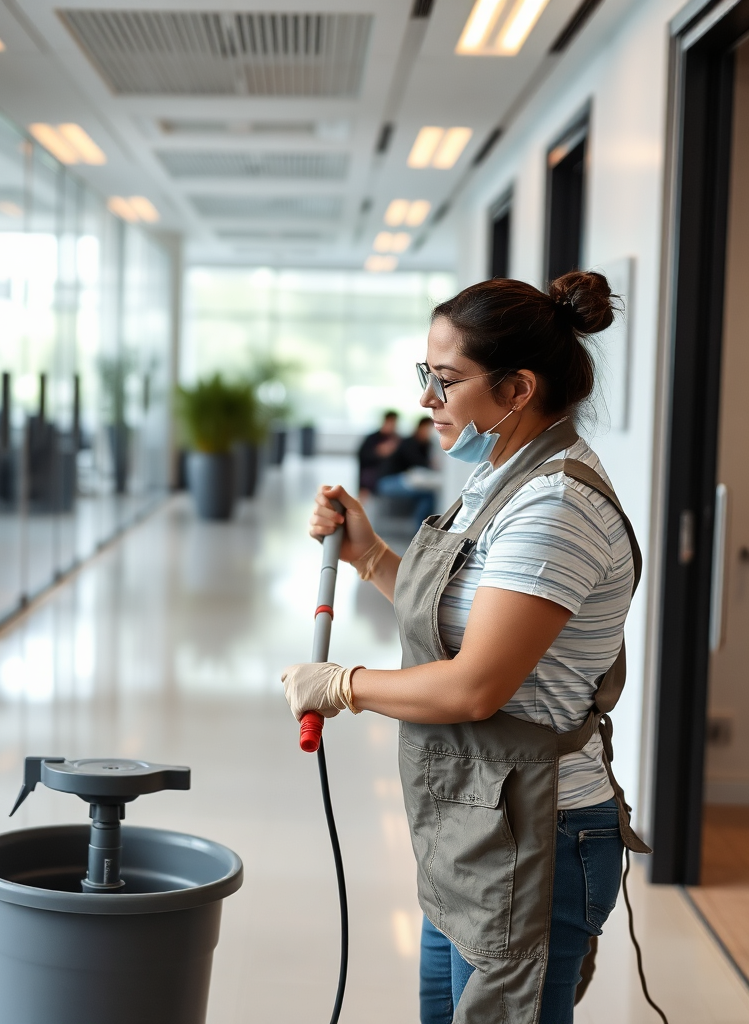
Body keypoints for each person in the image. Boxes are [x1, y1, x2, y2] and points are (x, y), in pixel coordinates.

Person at [282, 271, 650, 1024]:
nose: (427, 400)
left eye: (445, 381)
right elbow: (466, 622)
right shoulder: (498, 480)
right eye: (427, 375)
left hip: (535, 836)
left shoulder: (555, 508)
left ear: (516, 389)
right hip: (476, 820)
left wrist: (343, 684)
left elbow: (474, 684)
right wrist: (371, 556)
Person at [375, 417, 440, 527]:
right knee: (428, 493)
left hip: (406, 480)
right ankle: (419, 530)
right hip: (388, 481)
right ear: (420, 428)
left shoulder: (426, 446)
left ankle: (422, 529)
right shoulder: (408, 442)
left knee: (428, 495)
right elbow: (419, 463)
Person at [357, 410, 400, 496]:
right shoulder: (372, 438)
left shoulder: (397, 440)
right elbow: (362, 456)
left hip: (390, 475)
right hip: (372, 476)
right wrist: (378, 452)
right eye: (390, 422)